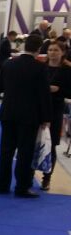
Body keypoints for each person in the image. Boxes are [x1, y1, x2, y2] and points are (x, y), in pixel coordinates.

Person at [0, 34, 51, 197]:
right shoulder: (40, 68)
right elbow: (44, 95)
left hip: (8, 113)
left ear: (25, 46)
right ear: (39, 49)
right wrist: (46, 118)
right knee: (25, 153)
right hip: (29, 116)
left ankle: (2, 184)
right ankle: (22, 186)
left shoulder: (8, 64)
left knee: (6, 151)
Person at [40, 41, 71, 191]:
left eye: (56, 50)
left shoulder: (67, 70)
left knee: (51, 145)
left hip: (55, 109)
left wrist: (58, 90)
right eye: (50, 50)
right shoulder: (41, 67)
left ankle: (47, 178)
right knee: (33, 142)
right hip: (38, 108)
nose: (52, 52)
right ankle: (29, 173)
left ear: (62, 52)